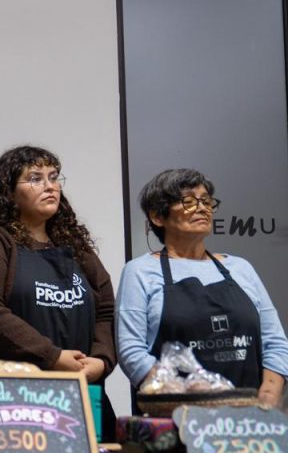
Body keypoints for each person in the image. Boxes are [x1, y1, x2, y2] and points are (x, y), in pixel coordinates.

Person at [0, 145, 117, 436]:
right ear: (9, 192)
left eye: (54, 177)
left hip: (79, 393)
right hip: (3, 400)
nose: (50, 186)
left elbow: (105, 309)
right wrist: (51, 356)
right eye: (35, 178)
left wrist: (101, 360)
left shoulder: (74, 246)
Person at [116, 168, 287, 406]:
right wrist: (186, 396)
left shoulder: (241, 268)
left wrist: (267, 398)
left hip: (250, 415)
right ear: (157, 217)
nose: (202, 208)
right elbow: (131, 350)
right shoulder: (140, 271)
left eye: (206, 201)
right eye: (188, 201)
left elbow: (275, 342)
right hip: (179, 415)